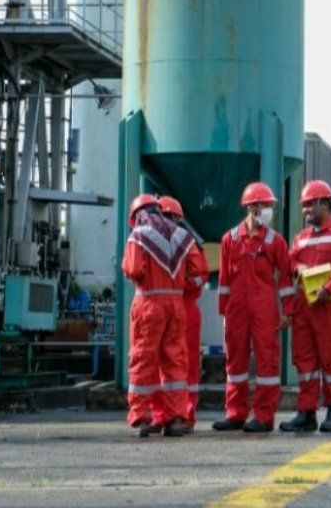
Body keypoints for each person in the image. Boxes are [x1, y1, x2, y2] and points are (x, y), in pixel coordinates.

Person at [212, 182, 294, 433]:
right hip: (237, 309)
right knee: (234, 361)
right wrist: (224, 312)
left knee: (267, 362)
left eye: (270, 206)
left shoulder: (275, 241)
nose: (270, 210)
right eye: (266, 206)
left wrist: (287, 311)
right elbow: (224, 279)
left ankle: (264, 416)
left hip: (264, 308)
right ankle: (235, 413)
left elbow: (287, 278)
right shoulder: (230, 240)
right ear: (252, 207)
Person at [279, 179, 331, 434]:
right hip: (305, 307)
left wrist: (329, 288)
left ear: (324, 203)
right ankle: (306, 413)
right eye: (303, 207)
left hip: (330, 307)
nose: (305, 211)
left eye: (308, 205)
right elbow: (288, 265)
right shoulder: (300, 239)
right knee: (304, 362)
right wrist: (296, 268)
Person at [122, 193, 201, 438]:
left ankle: (142, 418)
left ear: (137, 215)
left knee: (143, 360)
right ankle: (176, 418)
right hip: (176, 304)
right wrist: (177, 285)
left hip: (149, 303)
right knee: (175, 361)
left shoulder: (138, 236)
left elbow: (134, 270)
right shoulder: (183, 236)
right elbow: (197, 272)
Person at [159, 195, 208, 431]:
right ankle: (163, 414)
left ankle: (185, 414)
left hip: (184, 307)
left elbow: (200, 276)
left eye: (169, 218)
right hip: (165, 307)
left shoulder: (189, 244)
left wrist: (178, 284)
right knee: (162, 363)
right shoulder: (154, 242)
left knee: (185, 364)